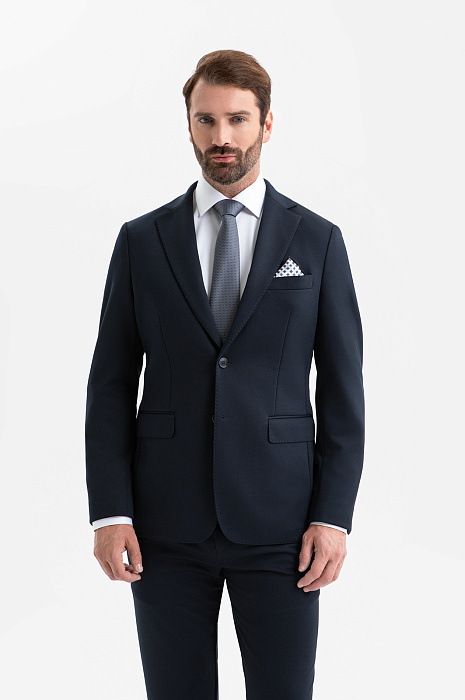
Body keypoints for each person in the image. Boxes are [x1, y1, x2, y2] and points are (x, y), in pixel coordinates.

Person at [85, 49, 365, 700]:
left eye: (237, 119)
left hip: (284, 524)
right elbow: (110, 383)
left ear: (266, 124)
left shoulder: (317, 241)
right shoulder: (142, 240)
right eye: (206, 120)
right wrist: (109, 511)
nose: (221, 136)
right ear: (188, 124)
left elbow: (343, 390)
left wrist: (333, 516)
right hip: (162, 525)